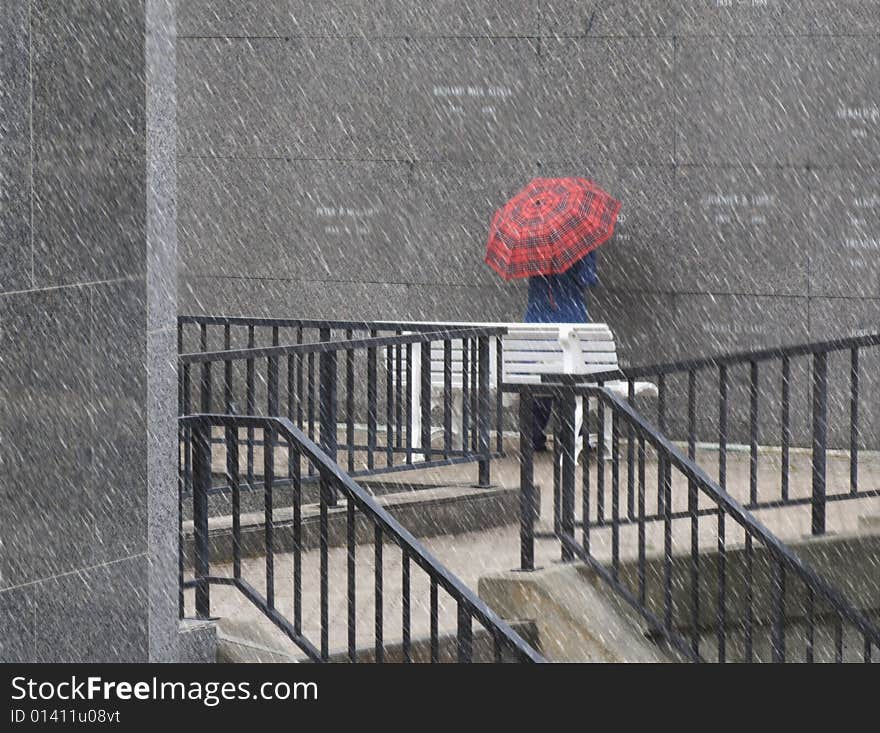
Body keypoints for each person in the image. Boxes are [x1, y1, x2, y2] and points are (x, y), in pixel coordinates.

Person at [524, 250, 599, 451]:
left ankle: (533, 434)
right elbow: (587, 278)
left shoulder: (533, 244)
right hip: (570, 323)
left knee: (541, 377)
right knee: (569, 377)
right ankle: (571, 433)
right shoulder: (580, 245)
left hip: (535, 323)